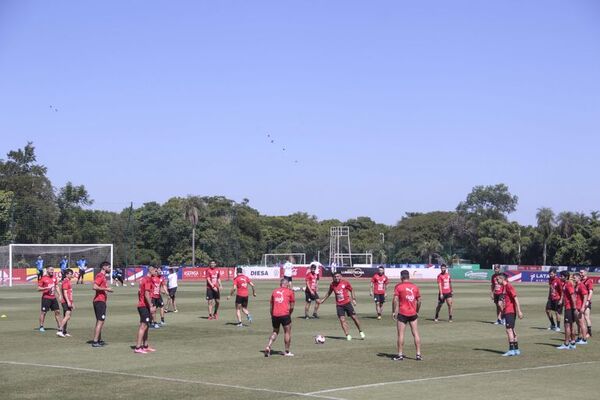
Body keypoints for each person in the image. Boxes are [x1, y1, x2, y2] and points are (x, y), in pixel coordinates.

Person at [318, 272, 365, 341]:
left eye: (338, 276)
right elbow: (329, 292)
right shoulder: (332, 284)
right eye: (335, 277)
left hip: (347, 303)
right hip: (339, 305)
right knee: (342, 320)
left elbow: (351, 290)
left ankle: (360, 331)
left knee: (354, 318)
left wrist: (354, 299)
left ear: (340, 276)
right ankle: (347, 335)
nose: (336, 278)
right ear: (333, 277)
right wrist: (323, 300)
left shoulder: (345, 282)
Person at [391, 269, 422, 361]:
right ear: (408, 277)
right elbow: (419, 301)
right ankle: (418, 354)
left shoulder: (398, 286)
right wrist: (417, 311)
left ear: (401, 277)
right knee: (415, 333)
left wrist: (393, 311)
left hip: (402, 313)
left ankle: (400, 355)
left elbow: (395, 300)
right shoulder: (415, 287)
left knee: (400, 334)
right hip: (413, 313)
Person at [264, 279, 295, 357]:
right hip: (285, 314)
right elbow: (292, 306)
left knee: (275, 331)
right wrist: (289, 314)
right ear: (287, 284)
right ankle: (287, 351)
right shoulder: (290, 292)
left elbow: (271, 306)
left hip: (275, 315)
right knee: (287, 332)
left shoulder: (274, 292)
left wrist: (272, 315)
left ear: (280, 284)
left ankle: (268, 346)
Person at [497, 273, 523, 356]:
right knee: (512, 329)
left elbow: (515, 298)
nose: (497, 281)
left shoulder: (508, 286)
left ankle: (511, 350)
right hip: (507, 311)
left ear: (502, 279)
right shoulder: (503, 287)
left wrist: (519, 311)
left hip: (510, 311)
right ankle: (516, 349)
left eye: (498, 279)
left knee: (509, 330)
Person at [134, 266, 157, 354]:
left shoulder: (144, 279)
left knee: (146, 325)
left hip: (143, 305)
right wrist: (150, 305)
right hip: (144, 306)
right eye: (155, 270)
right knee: (143, 326)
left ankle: (145, 346)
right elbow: (147, 294)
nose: (157, 272)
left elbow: (139, 292)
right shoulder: (147, 279)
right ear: (151, 270)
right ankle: (138, 347)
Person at [91, 261, 113, 348]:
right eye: (109, 267)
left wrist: (106, 289)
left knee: (99, 321)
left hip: (100, 301)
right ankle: (95, 341)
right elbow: (94, 287)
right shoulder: (100, 276)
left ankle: (98, 340)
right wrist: (106, 289)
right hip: (99, 301)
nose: (110, 269)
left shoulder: (103, 276)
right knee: (100, 321)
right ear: (104, 267)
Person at [37, 266, 62, 332]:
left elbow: (56, 286)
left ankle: (60, 326)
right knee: (44, 312)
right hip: (46, 298)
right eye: (51, 270)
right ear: (47, 270)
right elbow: (38, 288)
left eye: (53, 270)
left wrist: (59, 295)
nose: (52, 271)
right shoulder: (43, 278)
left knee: (57, 312)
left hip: (53, 298)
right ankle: (41, 326)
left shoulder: (54, 277)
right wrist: (46, 288)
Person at [557, 271, 577, 350]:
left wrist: (574, 308)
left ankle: (566, 344)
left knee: (567, 325)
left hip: (569, 308)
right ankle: (573, 342)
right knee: (572, 325)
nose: (560, 277)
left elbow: (573, 296)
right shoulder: (566, 284)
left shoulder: (568, 284)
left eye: (561, 276)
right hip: (569, 307)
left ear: (565, 277)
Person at [57, 269, 74, 338]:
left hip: (68, 301)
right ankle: (60, 330)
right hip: (65, 301)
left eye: (71, 274)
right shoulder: (66, 281)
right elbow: (65, 293)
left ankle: (64, 331)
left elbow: (70, 293)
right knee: (67, 316)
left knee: (66, 316)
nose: (71, 275)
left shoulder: (68, 281)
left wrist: (72, 302)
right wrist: (68, 301)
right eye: (70, 274)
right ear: (66, 274)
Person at [573, 273, 589, 344]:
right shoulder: (576, 285)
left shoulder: (581, 285)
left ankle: (584, 339)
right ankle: (579, 337)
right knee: (578, 323)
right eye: (573, 277)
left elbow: (585, 296)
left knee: (582, 323)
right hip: (576, 307)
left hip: (580, 307)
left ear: (579, 278)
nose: (573, 279)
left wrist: (583, 307)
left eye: (575, 277)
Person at [580, 268, 594, 337]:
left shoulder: (589, 281)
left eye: (582, 273)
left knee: (586, 317)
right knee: (580, 317)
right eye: (580, 273)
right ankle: (583, 331)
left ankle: (589, 332)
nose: (580, 274)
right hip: (580, 301)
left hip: (586, 302)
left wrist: (588, 301)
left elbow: (591, 292)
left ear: (585, 273)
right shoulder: (580, 280)